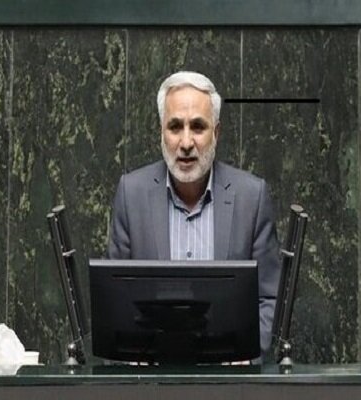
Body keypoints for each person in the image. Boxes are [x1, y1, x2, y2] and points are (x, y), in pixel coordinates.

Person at [108, 71, 281, 357]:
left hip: (229, 371)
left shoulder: (252, 197)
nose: (186, 142)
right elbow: (116, 298)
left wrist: (247, 355)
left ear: (216, 133)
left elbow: (270, 298)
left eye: (198, 127)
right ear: (161, 132)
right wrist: (133, 355)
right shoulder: (131, 194)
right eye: (175, 127)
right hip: (153, 372)